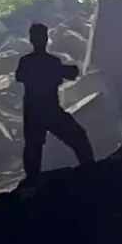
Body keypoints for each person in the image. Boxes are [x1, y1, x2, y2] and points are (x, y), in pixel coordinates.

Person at [14, 23, 95, 182]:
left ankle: (32, 181)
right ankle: (90, 171)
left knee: (33, 147)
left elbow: (22, 78)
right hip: (49, 108)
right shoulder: (52, 62)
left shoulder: (28, 61)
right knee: (77, 137)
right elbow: (63, 77)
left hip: (35, 110)